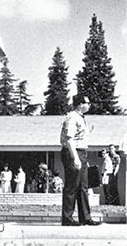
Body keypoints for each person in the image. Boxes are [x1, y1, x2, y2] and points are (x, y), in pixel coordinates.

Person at [60, 94, 101, 226]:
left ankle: (86, 218)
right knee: (72, 186)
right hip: (73, 153)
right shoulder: (72, 118)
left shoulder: (81, 118)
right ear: (79, 104)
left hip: (81, 153)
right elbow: (69, 139)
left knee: (83, 186)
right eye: (87, 103)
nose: (89, 105)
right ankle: (67, 218)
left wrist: (82, 158)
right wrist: (75, 158)